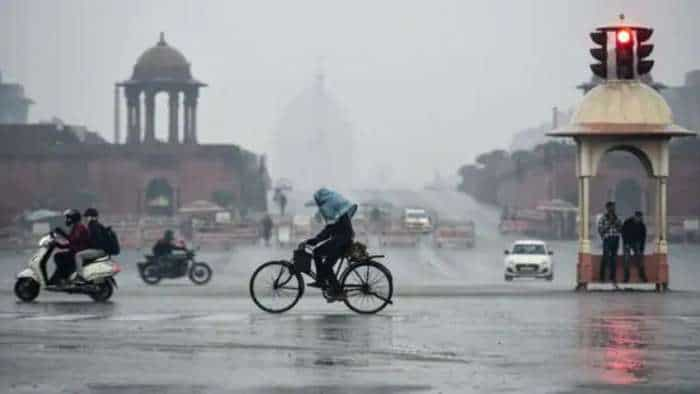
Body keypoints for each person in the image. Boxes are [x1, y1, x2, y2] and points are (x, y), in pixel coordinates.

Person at [302, 188, 357, 301]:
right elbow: (330, 229)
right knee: (323, 260)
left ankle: (331, 287)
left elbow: (329, 230)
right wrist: (316, 239)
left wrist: (315, 240)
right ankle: (327, 284)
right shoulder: (337, 208)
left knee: (322, 259)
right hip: (343, 239)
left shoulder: (330, 208)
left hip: (341, 240)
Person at [49, 209, 89, 286]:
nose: (67, 220)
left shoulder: (79, 227)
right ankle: (59, 278)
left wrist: (63, 233)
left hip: (78, 252)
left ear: (74, 218)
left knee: (59, 257)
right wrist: (58, 244)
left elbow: (73, 240)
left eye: (69, 218)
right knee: (59, 256)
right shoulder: (76, 227)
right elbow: (72, 243)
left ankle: (62, 278)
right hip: (75, 251)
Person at [70, 208, 107, 282]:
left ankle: (80, 276)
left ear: (92, 217)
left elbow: (96, 241)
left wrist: (87, 245)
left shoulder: (93, 226)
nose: (86, 218)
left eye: (87, 216)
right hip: (100, 249)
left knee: (78, 255)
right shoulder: (95, 224)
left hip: (98, 250)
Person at [597, 201, 622, 289]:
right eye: (611, 207)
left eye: (614, 207)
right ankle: (602, 276)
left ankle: (613, 277)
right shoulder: (603, 218)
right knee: (606, 256)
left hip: (615, 239)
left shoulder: (617, 218)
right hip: (607, 239)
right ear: (608, 208)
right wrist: (609, 224)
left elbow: (620, 228)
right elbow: (600, 230)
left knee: (614, 259)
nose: (613, 209)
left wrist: (616, 224)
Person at [621, 211, 648, 282]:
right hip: (627, 242)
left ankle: (642, 274)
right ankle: (626, 275)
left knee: (639, 256)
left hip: (636, 243)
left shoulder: (642, 226)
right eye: (638, 218)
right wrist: (626, 243)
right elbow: (623, 233)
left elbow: (643, 239)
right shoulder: (627, 222)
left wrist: (642, 249)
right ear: (635, 217)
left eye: (640, 218)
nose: (639, 219)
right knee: (626, 258)